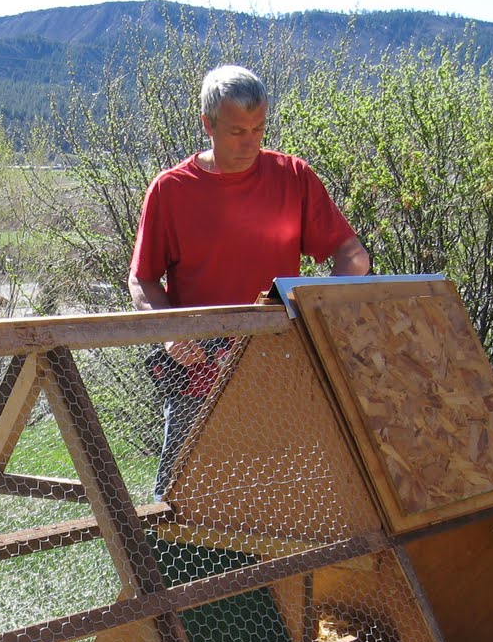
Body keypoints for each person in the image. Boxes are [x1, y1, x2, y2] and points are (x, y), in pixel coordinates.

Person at [130, 65, 370, 492]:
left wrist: (316, 313)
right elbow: (143, 279)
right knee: (182, 495)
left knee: (284, 491)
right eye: (237, 131)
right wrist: (170, 333)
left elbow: (352, 255)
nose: (250, 143)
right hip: (198, 373)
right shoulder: (171, 189)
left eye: (258, 129)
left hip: (280, 367)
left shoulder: (293, 177)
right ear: (208, 124)